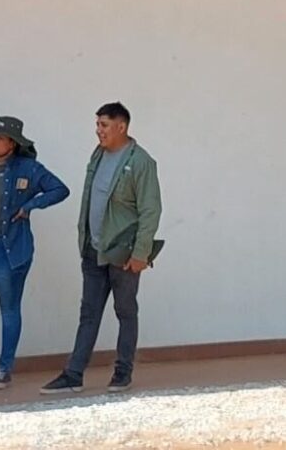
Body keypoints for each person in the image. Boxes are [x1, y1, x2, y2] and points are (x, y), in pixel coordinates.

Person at [42, 102, 162, 396]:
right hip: (93, 250)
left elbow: (150, 211)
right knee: (89, 312)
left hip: (123, 254)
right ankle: (74, 374)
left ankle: (123, 372)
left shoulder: (141, 162)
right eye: (97, 125)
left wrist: (140, 254)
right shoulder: (97, 155)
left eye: (104, 125)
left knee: (125, 311)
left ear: (122, 127)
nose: (98, 131)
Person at [0, 115, 69, 389]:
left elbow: (60, 189)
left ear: (13, 143)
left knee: (9, 309)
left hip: (12, 249)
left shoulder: (29, 168)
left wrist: (31, 206)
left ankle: (4, 368)